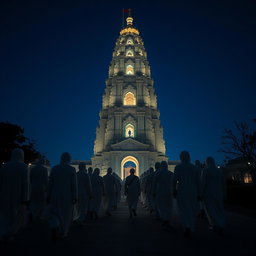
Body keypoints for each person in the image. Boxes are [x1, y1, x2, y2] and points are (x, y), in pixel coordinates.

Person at [0, 148, 29, 241]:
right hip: (18, 195)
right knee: (15, 214)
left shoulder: (4, 166)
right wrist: (25, 197)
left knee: (4, 213)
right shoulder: (24, 167)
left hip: (4, 193)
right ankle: (11, 233)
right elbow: (26, 184)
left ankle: (3, 231)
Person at [47, 152, 77, 240]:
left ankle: (55, 226)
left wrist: (48, 195)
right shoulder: (71, 169)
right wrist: (75, 196)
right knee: (66, 215)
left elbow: (50, 183)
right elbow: (73, 185)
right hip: (67, 196)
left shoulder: (55, 169)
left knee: (55, 213)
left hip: (55, 195)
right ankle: (63, 232)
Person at [173, 151, 200, 238]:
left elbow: (174, 180)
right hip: (193, 191)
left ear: (181, 157)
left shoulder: (178, 167)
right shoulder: (194, 168)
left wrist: (173, 190)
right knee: (191, 209)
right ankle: (191, 226)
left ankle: (186, 226)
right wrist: (200, 193)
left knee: (183, 209)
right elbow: (198, 182)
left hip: (182, 190)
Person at [201, 157, 226, 234]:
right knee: (219, 209)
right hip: (219, 193)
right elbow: (223, 183)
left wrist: (200, 193)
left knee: (210, 209)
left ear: (207, 162)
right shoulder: (219, 171)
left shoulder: (205, 170)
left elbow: (203, 183)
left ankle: (215, 225)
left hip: (208, 193)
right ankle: (221, 224)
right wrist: (225, 193)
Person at [153, 161, 174, 227]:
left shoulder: (158, 174)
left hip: (160, 191)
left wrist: (153, 191)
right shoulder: (171, 173)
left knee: (161, 206)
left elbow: (154, 184)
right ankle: (168, 218)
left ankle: (164, 218)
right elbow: (174, 183)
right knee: (169, 206)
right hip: (169, 192)